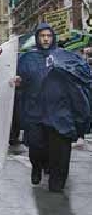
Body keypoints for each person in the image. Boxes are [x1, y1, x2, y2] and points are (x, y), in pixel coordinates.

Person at [16, 23, 91, 193]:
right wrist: (18, 82)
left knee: (61, 150)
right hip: (35, 110)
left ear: (53, 38)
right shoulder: (27, 58)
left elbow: (83, 75)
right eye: (42, 36)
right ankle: (37, 166)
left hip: (60, 111)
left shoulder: (64, 56)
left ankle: (57, 184)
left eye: (48, 36)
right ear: (37, 38)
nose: (45, 39)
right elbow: (19, 80)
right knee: (36, 146)